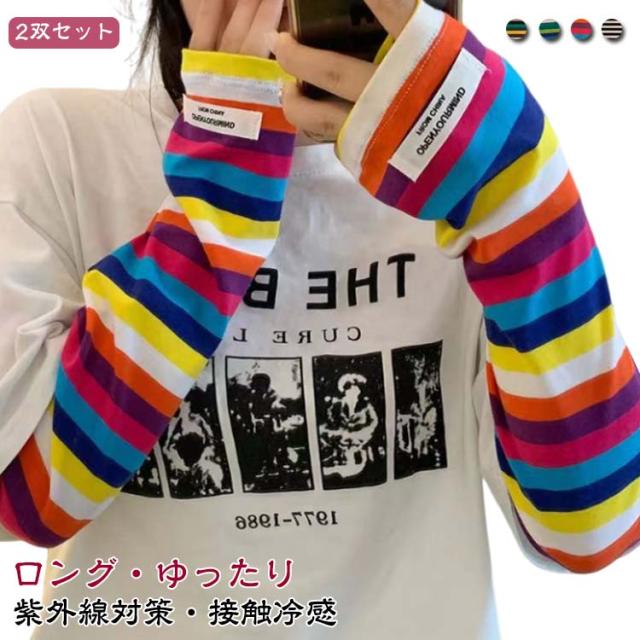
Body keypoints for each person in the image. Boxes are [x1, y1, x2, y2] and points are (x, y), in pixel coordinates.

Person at [1, 0, 639, 637]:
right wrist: (220, 178)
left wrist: (518, 195)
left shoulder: (464, 160)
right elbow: (23, 499)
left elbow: (594, 526)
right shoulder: (61, 141)